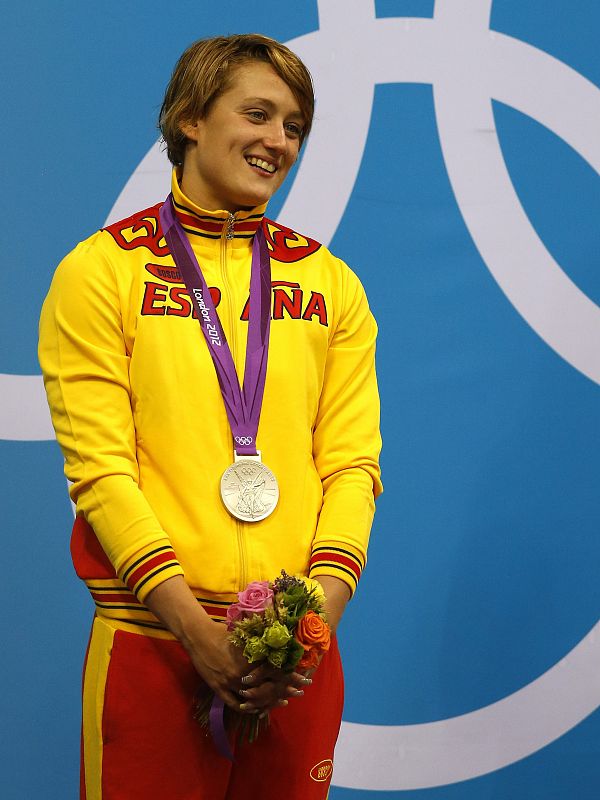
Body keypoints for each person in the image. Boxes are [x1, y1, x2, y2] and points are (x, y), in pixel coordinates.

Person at [39, 33, 382, 800]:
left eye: (294, 126)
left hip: (292, 666)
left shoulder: (333, 284)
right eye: (257, 114)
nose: (277, 141)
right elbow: (102, 473)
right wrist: (198, 634)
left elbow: (353, 468)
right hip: (154, 645)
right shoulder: (101, 272)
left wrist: (308, 632)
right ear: (191, 117)